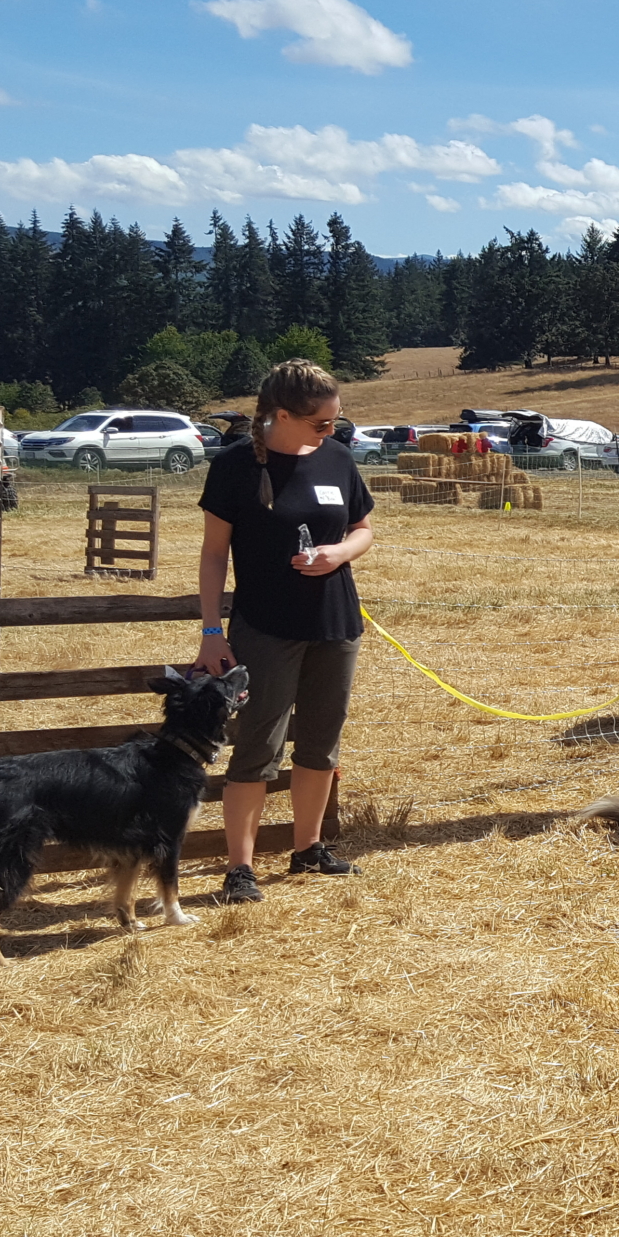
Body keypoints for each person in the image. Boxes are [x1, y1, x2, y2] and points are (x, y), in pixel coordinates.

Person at [194, 359, 375, 904]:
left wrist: (338, 552)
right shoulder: (234, 467)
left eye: (336, 423)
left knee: (321, 741)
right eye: (320, 424)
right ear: (278, 415)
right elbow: (212, 555)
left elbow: (363, 529)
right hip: (265, 628)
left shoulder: (338, 459)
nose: (331, 433)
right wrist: (210, 632)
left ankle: (308, 849)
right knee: (257, 746)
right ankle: (240, 870)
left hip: (336, 623)